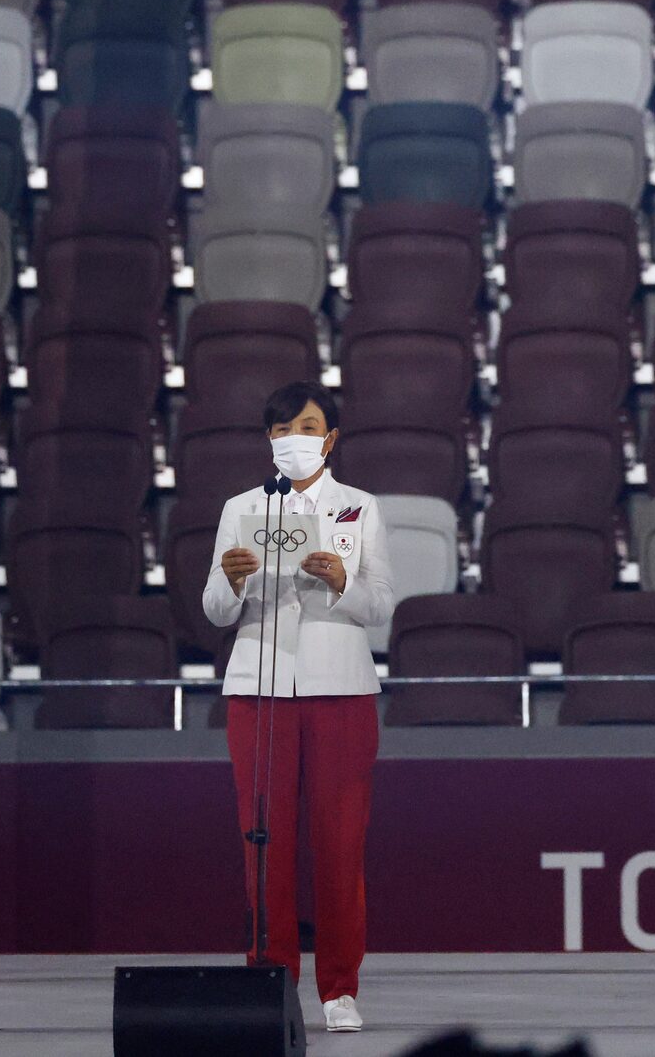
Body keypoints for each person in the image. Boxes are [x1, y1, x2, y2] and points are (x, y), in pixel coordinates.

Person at [200, 382, 394, 1035]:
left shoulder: (359, 508)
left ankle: (339, 989)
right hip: (258, 688)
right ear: (268, 439)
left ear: (330, 437)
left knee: (339, 845)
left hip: (340, 689)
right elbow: (214, 610)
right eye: (281, 428)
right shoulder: (241, 508)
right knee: (265, 844)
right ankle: (270, 981)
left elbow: (383, 607)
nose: (293, 438)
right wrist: (230, 583)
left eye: (306, 426)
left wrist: (341, 583)